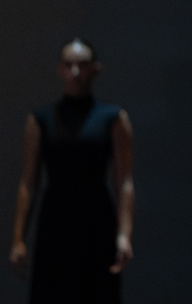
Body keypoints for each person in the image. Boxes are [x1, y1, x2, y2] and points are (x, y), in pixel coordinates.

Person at [9, 38, 135, 304]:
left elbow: (124, 181)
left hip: (96, 221)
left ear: (95, 69)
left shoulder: (113, 119)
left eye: (82, 65)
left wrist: (124, 234)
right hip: (55, 221)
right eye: (68, 65)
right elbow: (28, 182)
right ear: (59, 70)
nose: (75, 72)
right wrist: (19, 238)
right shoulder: (41, 120)